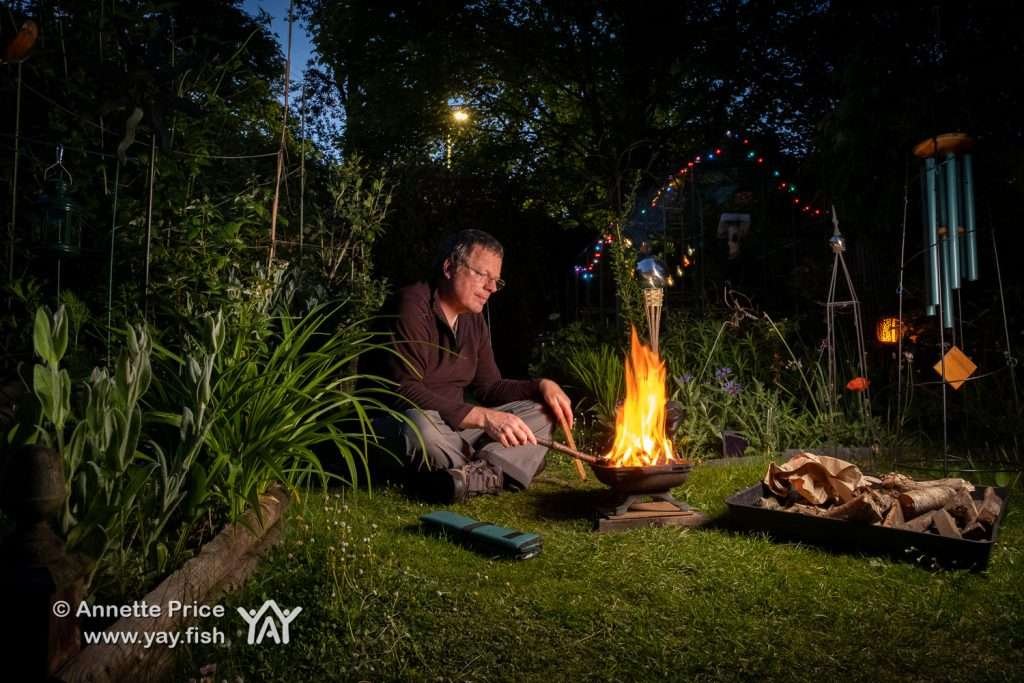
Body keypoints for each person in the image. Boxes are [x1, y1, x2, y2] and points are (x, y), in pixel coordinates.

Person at [372, 229, 573, 503]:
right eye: (482, 275)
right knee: (421, 427)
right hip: (399, 423)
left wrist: (541, 385)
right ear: (449, 267)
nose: (491, 288)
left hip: (452, 429)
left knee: (540, 410)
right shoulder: (411, 305)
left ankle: (467, 475)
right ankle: (501, 468)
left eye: (496, 281)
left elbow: (490, 388)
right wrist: (483, 418)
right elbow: (403, 390)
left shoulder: (473, 320)